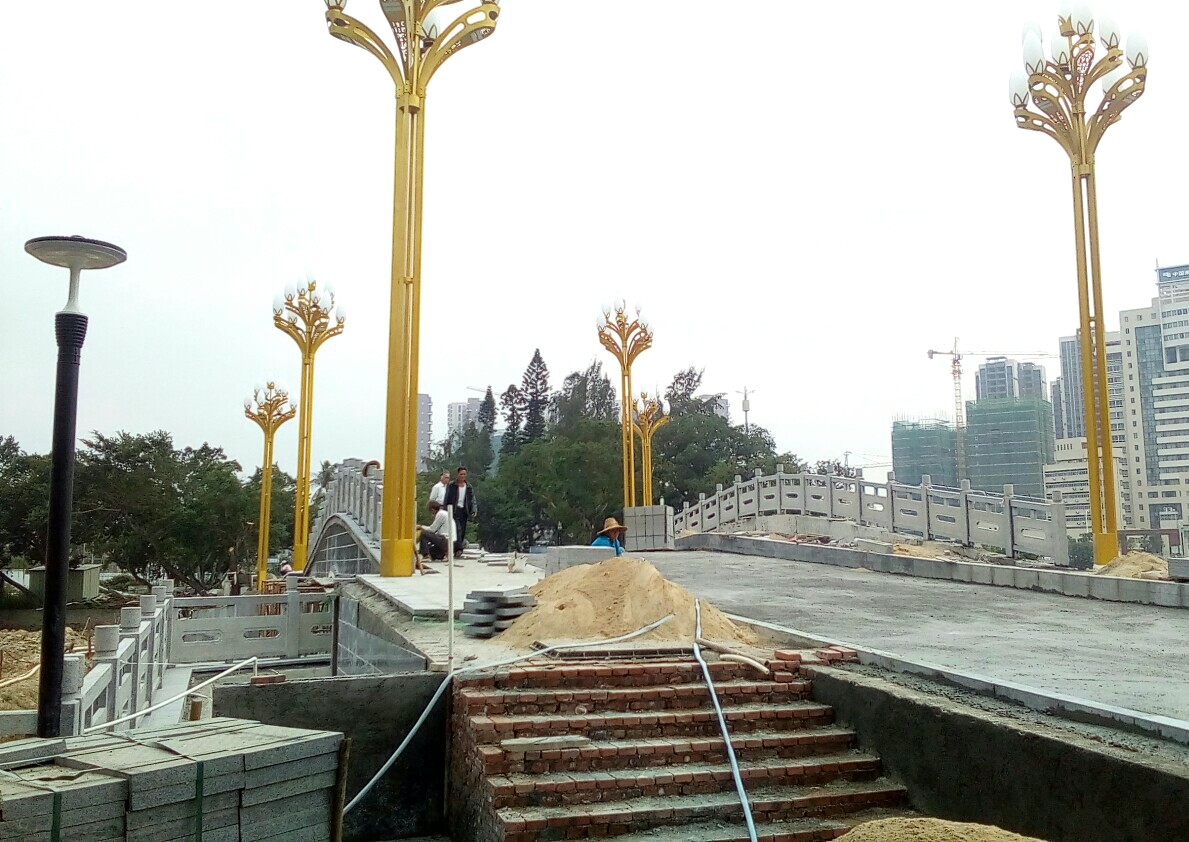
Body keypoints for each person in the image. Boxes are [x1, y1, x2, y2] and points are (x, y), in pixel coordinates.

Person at [443, 466, 476, 554]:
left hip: (464, 511)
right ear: (457, 474)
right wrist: (445, 509)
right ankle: (459, 549)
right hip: (454, 510)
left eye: (464, 474)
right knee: (457, 529)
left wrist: (473, 510)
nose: (463, 476)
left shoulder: (468, 487)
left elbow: (472, 500)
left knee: (462, 530)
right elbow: (446, 498)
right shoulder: (451, 485)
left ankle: (457, 547)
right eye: (461, 474)